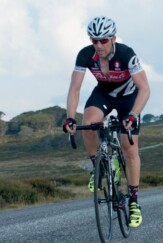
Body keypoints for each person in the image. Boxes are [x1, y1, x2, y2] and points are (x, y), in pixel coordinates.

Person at [63, 16, 150, 228]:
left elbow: (145, 89)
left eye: (103, 40)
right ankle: (99, 168)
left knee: (129, 148)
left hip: (128, 99)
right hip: (103, 93)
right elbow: (75, 89)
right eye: (94, 40)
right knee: (89, 124)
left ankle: (134, 202)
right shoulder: (85, 55)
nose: (99, 45)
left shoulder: (126, 54)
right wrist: (70, 117)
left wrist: (132, 115)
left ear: (113, 38)